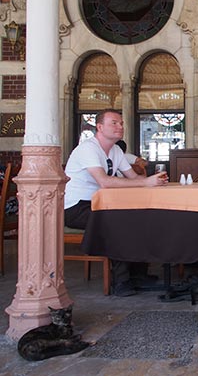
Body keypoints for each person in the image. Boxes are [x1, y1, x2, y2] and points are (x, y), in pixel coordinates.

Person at [64, 109, 168, 297]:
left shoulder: (116, 150)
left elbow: (133, 177)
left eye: (121, 123)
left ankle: (138, 274)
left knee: (139, 218)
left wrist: (153, 180)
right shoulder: (88, 148)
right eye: (114, 123)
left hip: (103, 203)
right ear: (99, 127)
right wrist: (145, 182)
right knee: (116, 222)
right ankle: (120, 281)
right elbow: (104, 181)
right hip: (76, 207)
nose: (120, 126)